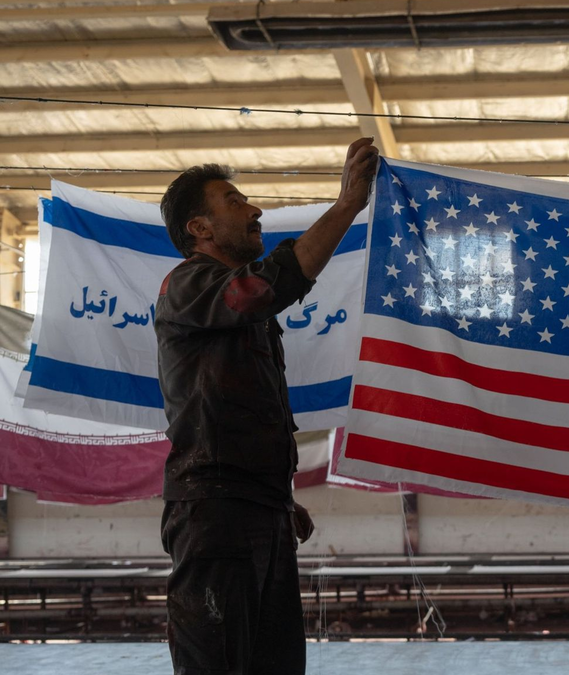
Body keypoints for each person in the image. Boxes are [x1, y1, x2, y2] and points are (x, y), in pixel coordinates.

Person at [154, 137, 378, 674]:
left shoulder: (235, 309)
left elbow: (239, 412)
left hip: (249, 509)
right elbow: (262, 290)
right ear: (199, 229)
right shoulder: (187, 285)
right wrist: (347, 204)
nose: (254, 209)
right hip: (216, 512)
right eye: (235, 202)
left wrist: (276, 499)